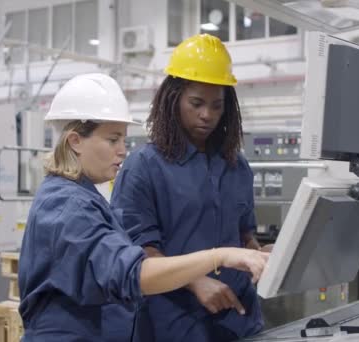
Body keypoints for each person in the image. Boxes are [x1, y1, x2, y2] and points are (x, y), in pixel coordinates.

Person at [17, 73, 269, 342]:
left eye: (123, 140)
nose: (122, 151)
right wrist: (217, 257)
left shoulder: (83, 196)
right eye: (113, 140)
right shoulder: (67, 206)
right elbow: (134, 273)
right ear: (75, 141)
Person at [110, 34, 269, 341]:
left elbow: (245, 237)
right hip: (174, 324)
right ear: (174, 99)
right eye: (196, 103)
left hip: (240, 320)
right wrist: (197, 282)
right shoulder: (144, 167)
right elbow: (138, 255)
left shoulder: (236, 166)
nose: (206, 114)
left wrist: (266, 256)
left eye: (216, 105)